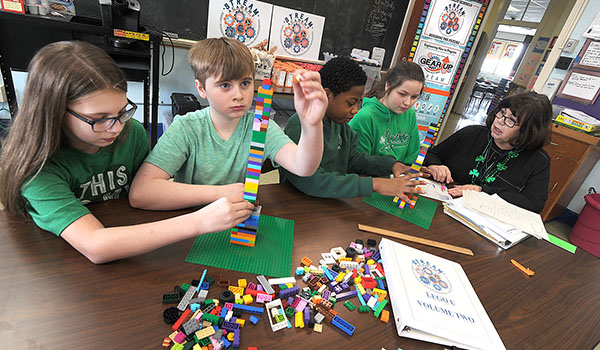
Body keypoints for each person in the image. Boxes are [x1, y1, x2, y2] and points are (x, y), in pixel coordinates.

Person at [0, 41, 254, 264]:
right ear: (54, 112)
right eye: (99, 118)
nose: (117, 127)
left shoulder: (130, 133)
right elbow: (95, 245)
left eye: (122, 111)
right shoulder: (38, 169)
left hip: (135, 244)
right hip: (64, 261)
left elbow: (144, 194)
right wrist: (200, 222)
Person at [128, 37, 327, 210]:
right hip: (192, 223)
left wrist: (312, 124)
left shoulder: (260, 126)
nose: (238, 95)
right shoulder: (186, 128)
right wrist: (220, 194)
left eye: (245, 83)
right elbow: (141, 192)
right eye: (225, 85)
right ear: (201, 88)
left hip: (237, 224)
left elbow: (303, 167)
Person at [280, 56, 424, 201]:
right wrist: (375, 184)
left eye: (358, 103)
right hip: (297, 204)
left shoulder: (342, 127)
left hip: (329, 203)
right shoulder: (299, 127)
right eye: (350, 103)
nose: (355, 110)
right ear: (326, 95)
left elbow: (354, 159)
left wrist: (391, 165)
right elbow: (312, 181)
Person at [423, 91, 552, 213]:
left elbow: (534, 204)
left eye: (511, 120)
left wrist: (482, 191)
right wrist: (435, 165)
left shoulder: (538, 161)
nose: (500, 121)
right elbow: (432, 154)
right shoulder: (471, 133)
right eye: (502, 113)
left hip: (485, 217)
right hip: (441, 204)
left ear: (528, 130)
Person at [349, 60, 425, 169]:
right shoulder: (365, 117)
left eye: (414, 97)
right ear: (388, 85)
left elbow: (412, 156)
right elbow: (357, 164)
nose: (408, 103)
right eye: (402, 94)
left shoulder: (410, 114)